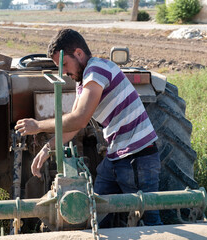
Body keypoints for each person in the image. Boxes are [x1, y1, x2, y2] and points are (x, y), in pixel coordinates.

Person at [14, 28, 162, 226]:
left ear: (79, 53)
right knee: (94, 215)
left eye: (64, 65)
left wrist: (38, 125)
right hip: (116, 158)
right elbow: (72, 127)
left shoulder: (97, 70)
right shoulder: (83, 81)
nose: (64, 73)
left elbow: (80, 119)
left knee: (149, 221)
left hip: (138, 159)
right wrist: (46, 149)